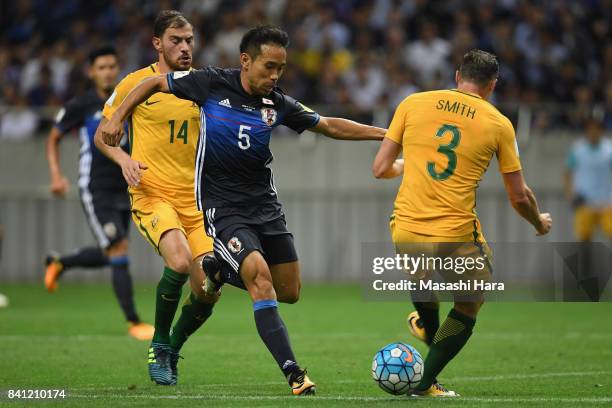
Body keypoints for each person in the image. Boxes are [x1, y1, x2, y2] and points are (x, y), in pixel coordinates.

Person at [100, 25, 385, 396]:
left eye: (280, 69)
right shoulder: (211, 84)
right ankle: (294, 373)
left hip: (265, 207)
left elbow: (329, 125)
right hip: (221, 207)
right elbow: (154, 84)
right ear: (246, 61)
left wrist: (387, 134)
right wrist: (119, 115)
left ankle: (215, 277)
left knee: (289, 291)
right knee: (257, 276)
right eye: (268, 67)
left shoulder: (277, 103)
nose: (274, 76)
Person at [372, 49, 552, 397]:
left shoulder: (413, 103)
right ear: (492, 85)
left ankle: (426, 325)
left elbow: (380, 169)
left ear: (457, 77)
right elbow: (519, 196)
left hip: (406, 226)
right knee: (469, 302)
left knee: (423, 283)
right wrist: (538, 222)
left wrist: (408, 165)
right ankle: (424, 384)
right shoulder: (498, 123)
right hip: (455, 233)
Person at [94, 11, 220, 386]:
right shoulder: (135, 83)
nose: (185, 48)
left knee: (209, 288)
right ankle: (158, 344)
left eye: (189, 41)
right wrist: (124, 160)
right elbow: (104, 134)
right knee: (179, 261)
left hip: (196, 203)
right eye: (176, 41)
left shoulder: (202, 84)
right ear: (157, 44)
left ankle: (172, 345)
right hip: (152, 194)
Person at [44, 46, 153, 341]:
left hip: (126, 186)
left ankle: (61, 262)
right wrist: (56, 174)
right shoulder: (82, 104)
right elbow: (54, 137)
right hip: (95, 187)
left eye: (111, 66)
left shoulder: (128, 100)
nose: (107, 72)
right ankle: (134, 322)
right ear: (91, 71)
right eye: (101, 67)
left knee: (113, 252)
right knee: (117, 249)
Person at [564, 118, 612, 241]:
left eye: (596, 129)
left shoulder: (609, 150)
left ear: (601, 131)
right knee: (583, 238)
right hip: (585, 201)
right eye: (591, 129)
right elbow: (568, 171)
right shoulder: (577, 149)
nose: (593, 132)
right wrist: (570, 195)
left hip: (606, 202)